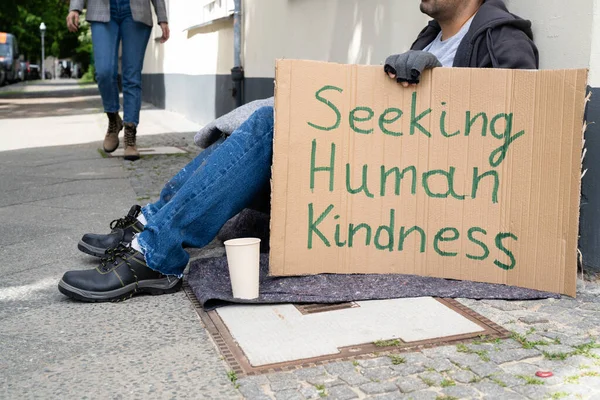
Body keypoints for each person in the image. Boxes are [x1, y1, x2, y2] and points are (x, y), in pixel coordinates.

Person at [58, 0, 539, 302]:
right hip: (381, 173)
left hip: (422, 197)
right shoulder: (431, 37)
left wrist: (441, 79)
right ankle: (152, 224)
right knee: (267, 118)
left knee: (268, 124)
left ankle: (156, 252)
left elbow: (512, 127)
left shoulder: (501, 36)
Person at [67, 0, 170, 161]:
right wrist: (75, 7)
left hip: (136, 9)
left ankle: (130, 136)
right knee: (104, 72)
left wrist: (162, 17)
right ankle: (113, 118)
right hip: (101, 8)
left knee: (132, 76)